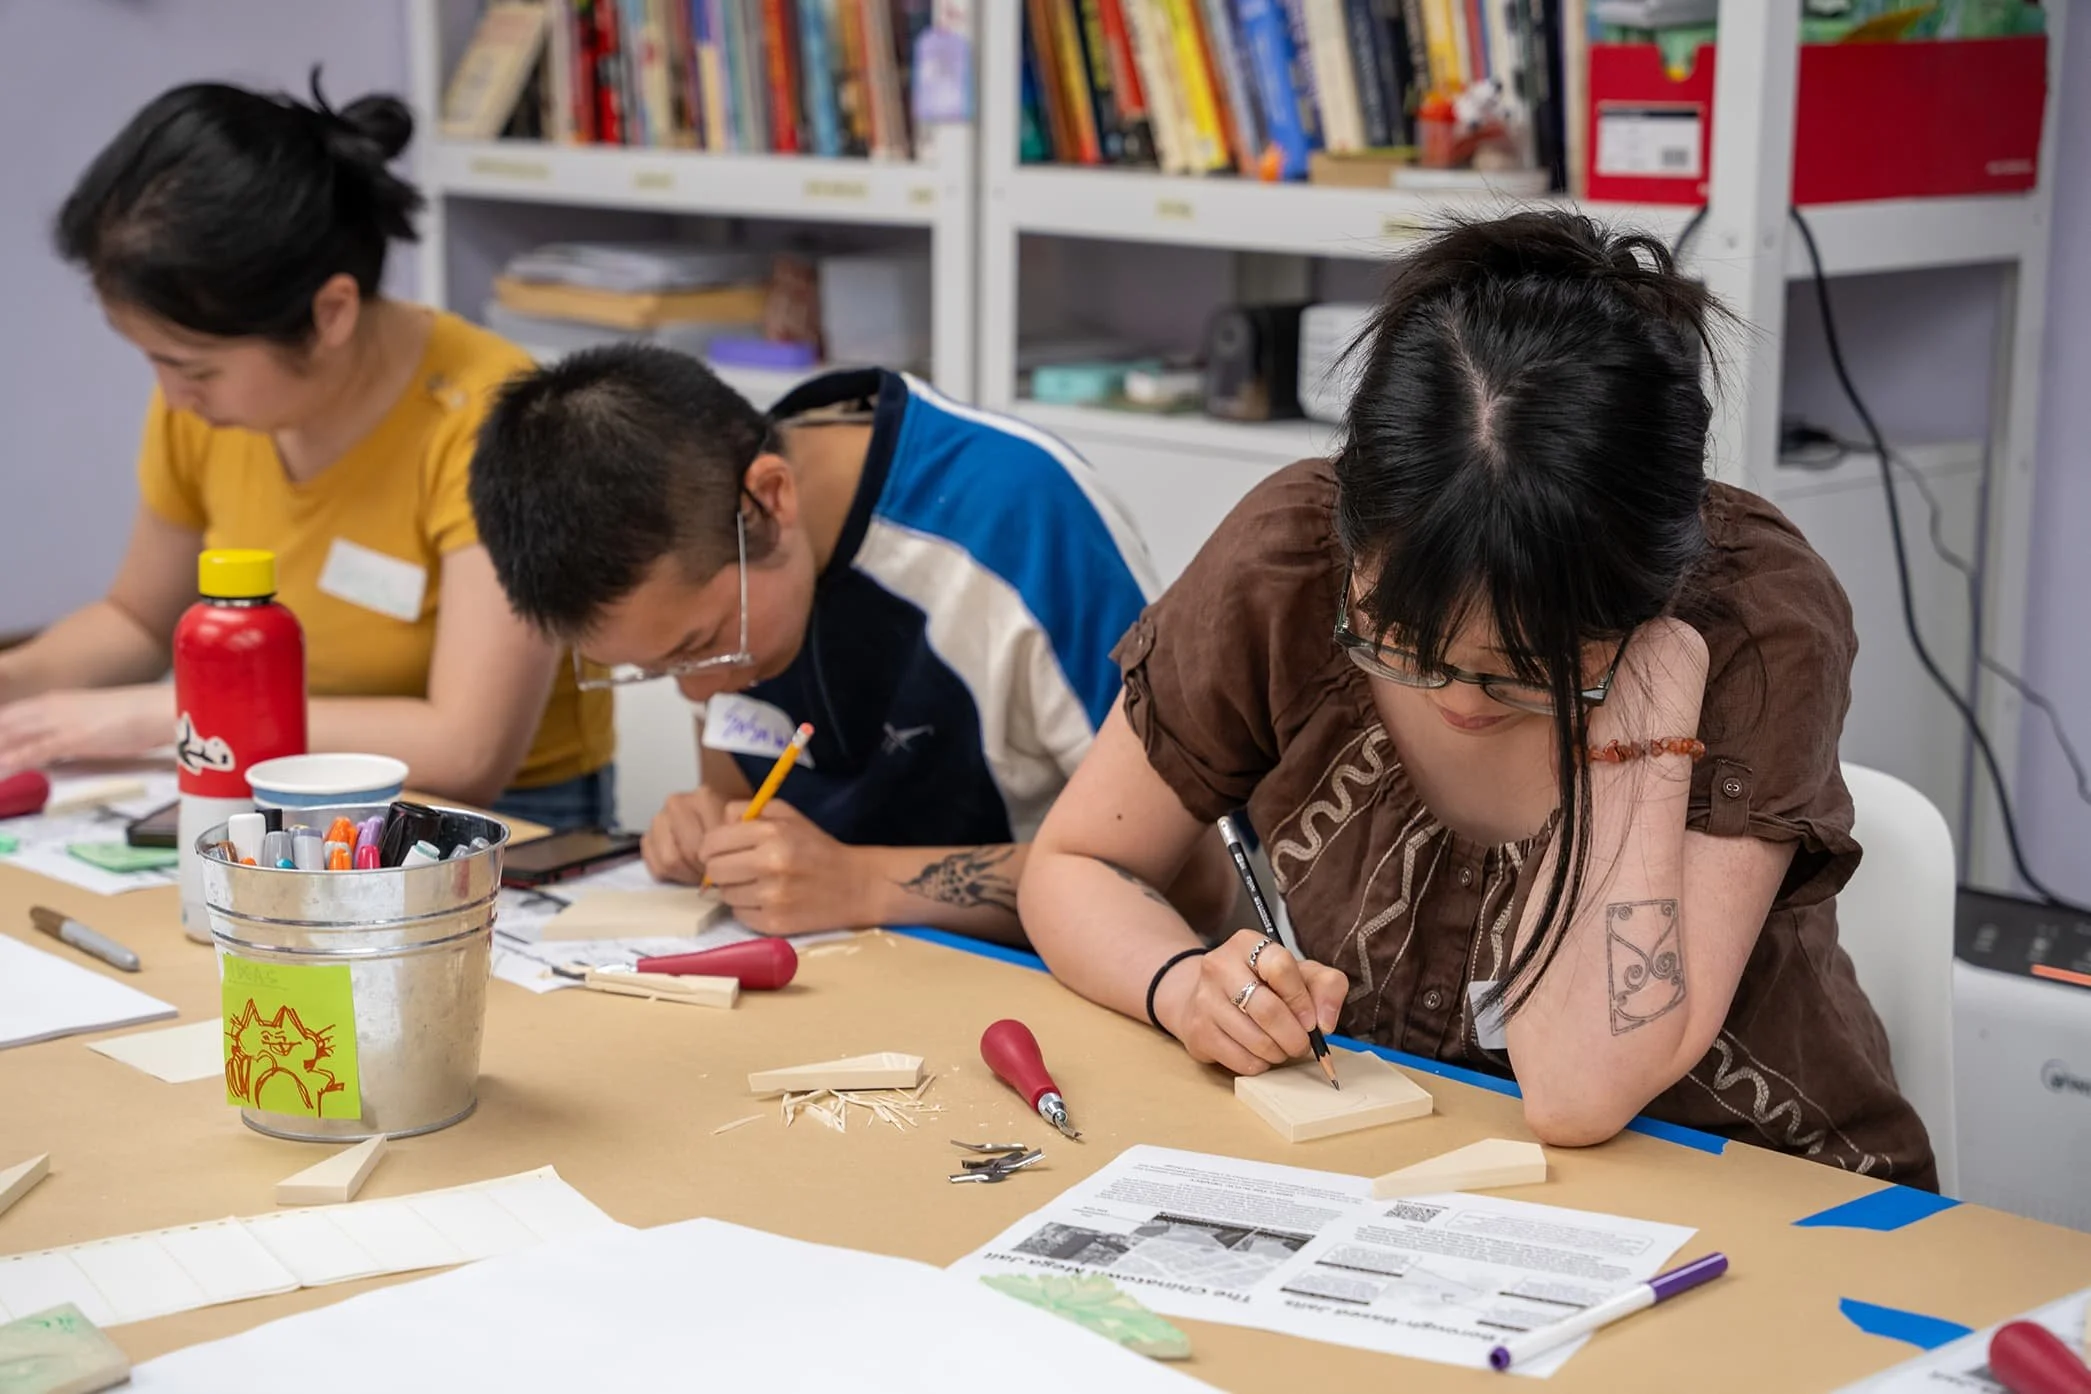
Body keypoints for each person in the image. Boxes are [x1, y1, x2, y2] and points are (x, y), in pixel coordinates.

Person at [1018, 212, 1936, 1187]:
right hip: (1412, 1178)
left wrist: (1643, 718)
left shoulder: (1749, 625)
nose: (1460, 699)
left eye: (1524, 668)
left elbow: (1580, 1085)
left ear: (1647, 594)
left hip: (1762, 1194)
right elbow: (1077, 861)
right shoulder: (1291, 560)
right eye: (1403, 644)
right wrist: (1181, 984)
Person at [0, 76, 615, 829]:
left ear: (330, 313)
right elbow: (137, 618)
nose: (172, 394)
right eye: (155, 361)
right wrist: (15, 686)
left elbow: (466, 750)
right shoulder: (207, 409)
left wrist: (171, 716)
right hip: (277, 786)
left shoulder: (498, 421)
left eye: (194, 367)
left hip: (498, 823)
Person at [467, 345, 1237, 944]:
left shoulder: (1021, 522)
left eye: (699, 646)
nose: (699, 694)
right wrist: (713, 833)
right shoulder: (708, 543)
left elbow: (1194, 883)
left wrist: (863, 885)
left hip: (1054, 992)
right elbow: (741, 801)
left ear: (769, 501)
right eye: (655, 670)